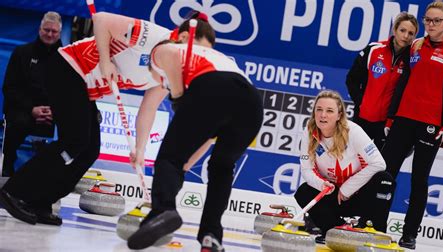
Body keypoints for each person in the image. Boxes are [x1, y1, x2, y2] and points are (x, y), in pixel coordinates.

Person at [0, 11, 208, 226]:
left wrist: (140, 149)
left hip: (85, 87)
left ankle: (41, 202)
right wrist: (106, 61)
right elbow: (101, 19)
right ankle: (14, 191)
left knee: (90, 149)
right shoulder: (152, 36)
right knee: (75, 141)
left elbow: (149, 108)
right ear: (183, 38)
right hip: (67, 69)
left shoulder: (175, 71)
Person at [126, 18, 263, 251]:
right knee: (221, 167)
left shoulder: (165, 49)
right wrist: (185, 164)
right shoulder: (223, 59)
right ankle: (211, 235)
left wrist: (178, 95)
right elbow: (208, 136)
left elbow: (167, 55)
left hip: (212, 88)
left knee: (168, 157)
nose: (162, 84)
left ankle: (163, 209)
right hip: (252, 104)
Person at [381, 2, 443, 249]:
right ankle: (376, 225)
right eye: (428, 20)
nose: (431, 25)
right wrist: (390, 117)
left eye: (436, 20)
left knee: (419, 180)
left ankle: (409, 235)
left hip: (430, 125)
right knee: (386, 174)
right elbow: (402, 83)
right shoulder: (416, 45)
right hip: (403, 119)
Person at [294, 90, 394, 244]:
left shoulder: (353, 131)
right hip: (333, 195)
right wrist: (321, 184)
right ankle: (334, 230)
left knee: (385, 180)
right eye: (319, 110)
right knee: (303, 192)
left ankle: (376, 232)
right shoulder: (309, 131)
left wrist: (348, 188)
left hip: (357, 195)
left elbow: (379, 163)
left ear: (339, 115)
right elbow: (307, 170)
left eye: (329, 111)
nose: (323, 115)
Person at [1, 11, 62, 177]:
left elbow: (70, 93)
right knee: (16, 123)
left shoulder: (67, 57)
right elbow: (9, 88)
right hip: (25, 111)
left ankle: (56, 175)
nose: (49, 34)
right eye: (46, 30)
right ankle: (6, 169)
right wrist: (32, 109)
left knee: (72, 128)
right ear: (39, 29)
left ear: (60, 33)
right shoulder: (21, 53)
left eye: (54, 31)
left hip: (55, 113)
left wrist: (55, 111)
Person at [346, 12, 418, 149]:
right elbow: (352, 79)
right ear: (394, 29)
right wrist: (361, 102)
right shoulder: (374, 50)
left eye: (411, 33)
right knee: (352, 162)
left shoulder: (413, 59)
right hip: (362, 118)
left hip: (387, 124)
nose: (406, 36)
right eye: (402, 30)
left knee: (379, 167)